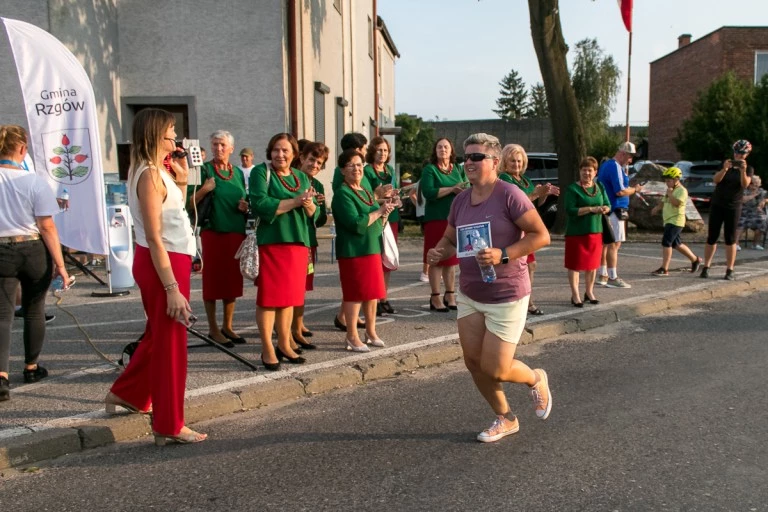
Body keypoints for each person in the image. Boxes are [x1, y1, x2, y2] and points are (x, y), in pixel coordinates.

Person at [426, 133, 551, 443]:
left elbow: (540, 235)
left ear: (494, 162)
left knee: (494, 368)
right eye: (465, 157)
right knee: (473, 363)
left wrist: (503, 254)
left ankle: (536, 378)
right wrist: (440, 250)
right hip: (471, 292)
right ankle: (506, 418)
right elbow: (450, 237)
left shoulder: (510, 195)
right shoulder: (460, 200)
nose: (468, 162)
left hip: (506, 294)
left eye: (476, 157)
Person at [105, 109, 206, 445]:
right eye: (170, 130)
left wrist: (180, 180)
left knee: (157, 338)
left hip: (171, 260)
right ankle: (168, 423)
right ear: (153, 133)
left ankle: (128, 394)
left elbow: (173, 214)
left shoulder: (156, 171)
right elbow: (154, 235)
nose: (174, 137)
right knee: (171, 345)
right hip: (163, 265)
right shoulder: (148, 174)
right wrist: (172, 288)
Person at [0, 125, 71, 402]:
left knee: (2, 315)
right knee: (34, 310)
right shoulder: (34, 181)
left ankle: (1, 376)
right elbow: (47, 226)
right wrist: (61, 265)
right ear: (22, 149)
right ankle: (31, 367)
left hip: (1, 250)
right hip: (31, 248)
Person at [250, 133, 316, 370]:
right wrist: (296, 202)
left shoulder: (301, 177)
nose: (280, 154)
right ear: (270, 151)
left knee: (289, 298)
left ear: (294, 153)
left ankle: (285, 343)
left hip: (298, 242)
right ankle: (268, 347)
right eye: (276, 150)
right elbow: (260, 203)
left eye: (286, 150)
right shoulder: (261, 172)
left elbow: (315, 215)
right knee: (269, 298)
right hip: (272, 241)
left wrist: (309, 205)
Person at [188, 131, 248, 348]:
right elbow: (189, 202)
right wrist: (205, 189)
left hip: (235, 231)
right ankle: (213, 328)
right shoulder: (202, 170)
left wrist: (245, 207)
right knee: (213, 282)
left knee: (231, 281)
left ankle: (227, 326)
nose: (218, 149)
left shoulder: (239, 174)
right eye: (215, 144)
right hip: (213, 232)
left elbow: (243, 199)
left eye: (223, 145)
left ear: (231, 148)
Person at [331, 149, 395, 352]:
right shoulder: (342, 194)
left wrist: (386, 211)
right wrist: (379, 211)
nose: (357, 169)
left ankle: (371, 331)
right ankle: (351, 335)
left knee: (372, 293)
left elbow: (375, 220)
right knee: (354, 294)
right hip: (353, 251)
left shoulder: (366, 190)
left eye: (359, 165)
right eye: (351, 165)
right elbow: (357, 224)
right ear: (342, 170)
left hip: (371, 248)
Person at [498, 143, 559, 315]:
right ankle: (518, 301)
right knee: (515, 266)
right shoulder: (504, 179)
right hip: (512, 228)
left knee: (530, 265)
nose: (516, 164)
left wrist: (544, 194)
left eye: (519, 161)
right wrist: (535, 194)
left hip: (526, 229)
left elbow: (536, 204)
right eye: (512, 161)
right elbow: (517, 202)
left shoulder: (525, 180)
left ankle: (526, 300)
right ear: (504, 161)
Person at [421, 138, 466, 312]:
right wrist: (452, 189)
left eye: (446, 147)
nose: (443, 149)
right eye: (439, 147)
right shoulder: (430, 169)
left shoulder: (457, 169)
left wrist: (460, 189)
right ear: (435, 150)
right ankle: (435, 296)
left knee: (451, 260)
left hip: (454, 218)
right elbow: (429, 192)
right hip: (436, 218)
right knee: (437, 258)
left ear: (451, 150)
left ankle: (450, 294)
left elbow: (465, 186)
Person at [292, 141, 330, 350]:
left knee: (303, 286)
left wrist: (318, 206)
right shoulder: (292, 179)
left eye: (319, 162)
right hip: (292, 239)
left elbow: (322, 220)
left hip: (309, 240)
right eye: (312, 160)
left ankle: (297, 325)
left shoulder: (318, 185)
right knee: (291, 286)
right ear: (302, 158)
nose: (315, 165)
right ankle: (290, 328)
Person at [331, 132, 370, 331]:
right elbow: (353, 212)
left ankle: (345, 316)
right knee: (354, 285)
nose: (363, 154)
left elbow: (367, 199)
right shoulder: (344, 176)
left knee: (362, 285)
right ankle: (346, 320)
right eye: (362, 149)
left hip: (366, 238)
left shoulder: (359, 172)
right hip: (353, 240)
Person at [700, 140, 755, 280]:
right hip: (718, 204)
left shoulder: (748, 168)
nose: (738, 155)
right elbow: (716, 180)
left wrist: (742, 170)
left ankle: (729, 269)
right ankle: (706, 266)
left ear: (747, 154)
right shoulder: (725, 164)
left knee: (730, 239)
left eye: (742, 153)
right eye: (736, 152)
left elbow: (745, 184)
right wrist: (724, 169)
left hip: (733, 206)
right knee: (712, 236)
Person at [564, 157, 611, 306]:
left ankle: (589, 291)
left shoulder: (600, 187)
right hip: (576, 233)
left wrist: (605, 209)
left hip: (595, 231)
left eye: (590, 170)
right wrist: (591, 209)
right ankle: (575, 295)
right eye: (584, 170)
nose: (587, 173)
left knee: (592, 265)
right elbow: (570, 210)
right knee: (575, 265)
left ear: (595, 172)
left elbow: (608, 204)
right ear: (580, 171)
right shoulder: (572, 189)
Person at [365, 136, 402, 316]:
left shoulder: (389, 170)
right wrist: (382, 198)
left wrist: (396, 199)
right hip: (375, 217)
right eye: (379, 150)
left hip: (390, 216)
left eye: (385, 150)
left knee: (387, 258)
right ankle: (374, 297)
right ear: (372, 151)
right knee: (375, 260)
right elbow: (366, 197)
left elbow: (392, 192)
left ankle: (383, 297)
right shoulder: (367, 171)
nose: (382, 153)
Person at [596, 141, 641, 288]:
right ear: (623, 153)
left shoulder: (606, 165)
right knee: (614, 244)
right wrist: (635, 189)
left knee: (605, 244)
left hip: (607, 209)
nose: (631, 160)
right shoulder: (615, 167)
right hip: (616, 209)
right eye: (630, 156)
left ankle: (603, 274)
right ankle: (613, 277)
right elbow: (620, 191)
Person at [649, 167, 702, 276]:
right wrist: (656, 208)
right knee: (676, 244)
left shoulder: (681, 191)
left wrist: (670, 194)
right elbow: (664, 202)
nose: (667, 183)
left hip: (676, 220)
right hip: (668, 220)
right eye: (666, 181)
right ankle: (695, 259)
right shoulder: (670, 190)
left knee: (666, 242)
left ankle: (664, 268)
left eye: (669, 181)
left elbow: (677, 203)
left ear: (676, 180)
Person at [735, 174, 766, 251]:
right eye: (752, 183)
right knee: (740, 223)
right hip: (743, 212)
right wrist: (754, 195)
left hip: (756, 212)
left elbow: (765, 199)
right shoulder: (743, 190)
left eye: (756, 184)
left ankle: (755, 244)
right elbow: (743, 200)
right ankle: (736, 244)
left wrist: (763, 202)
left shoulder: (762, 191)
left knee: (762, 222)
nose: (754, 186)